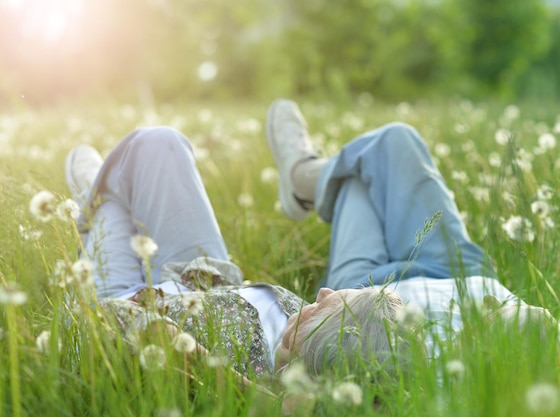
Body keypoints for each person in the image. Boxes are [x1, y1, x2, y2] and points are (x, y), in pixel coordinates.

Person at [64, 120, 416, 381]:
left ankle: (97, 192)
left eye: (330, 305)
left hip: (118, 294)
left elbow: (108, 318)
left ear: (318, 342)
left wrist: (245, 393)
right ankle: (106, 191)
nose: (323, 291)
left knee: (110, 209)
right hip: (200, 273)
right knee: (160, 141)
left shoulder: (244, 375)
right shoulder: (295, 315)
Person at [264, 99, 560, 359]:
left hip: (363, 305)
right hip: (464, 275)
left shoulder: (425, 391)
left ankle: (304, 176)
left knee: (357, 178)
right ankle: (305, 179)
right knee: (397, 138)